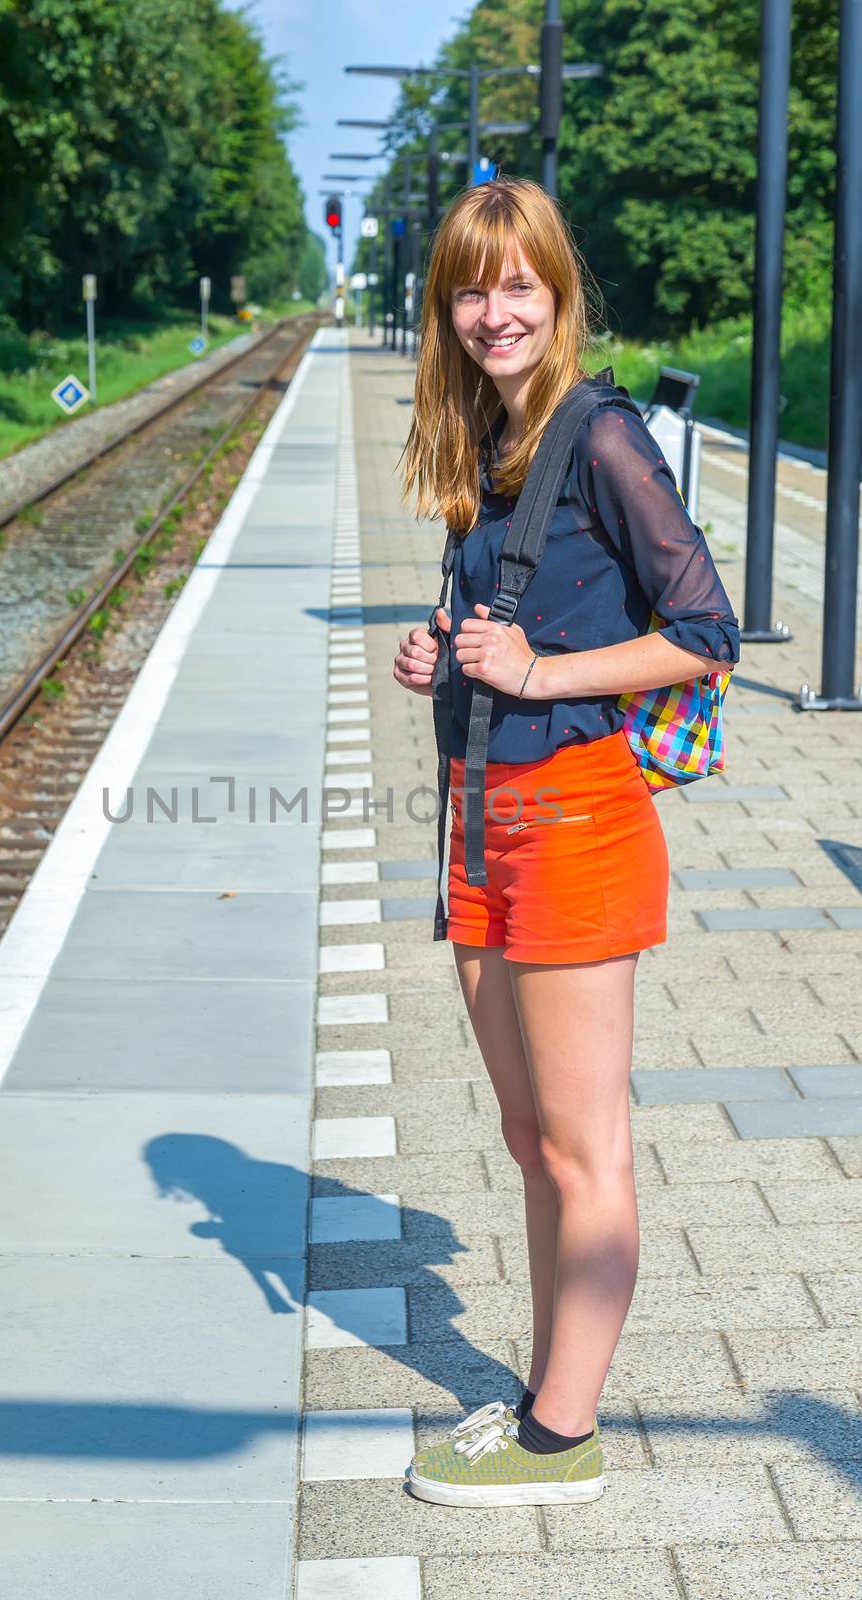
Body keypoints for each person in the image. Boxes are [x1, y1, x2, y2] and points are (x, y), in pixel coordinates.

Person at [391, 177, 741, 1508]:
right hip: (480, 816)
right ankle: (546, 1394)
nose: (495, 312)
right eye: (472, 289)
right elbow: (512, 624)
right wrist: (450, 659)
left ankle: (563, 1439)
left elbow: (706, 632)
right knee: (531, 1138)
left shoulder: (602, 437)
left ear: (557, 291)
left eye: (519, 285)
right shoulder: (485, 440)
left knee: (585, 1145)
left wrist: (538, 675)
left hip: (581, 813)